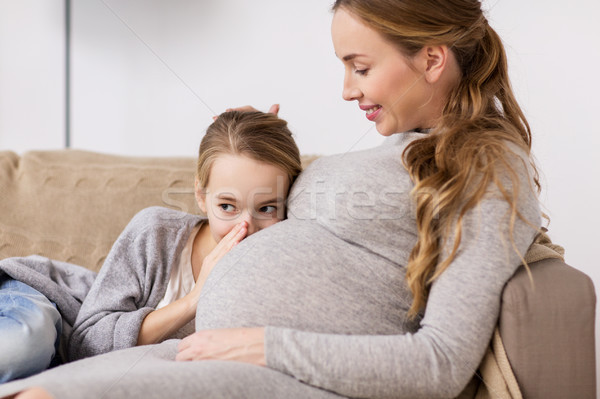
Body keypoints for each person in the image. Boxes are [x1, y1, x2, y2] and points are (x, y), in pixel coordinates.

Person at [0, 0, 543, 398]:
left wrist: (259, 345)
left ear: (431, 60)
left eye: (361, 66)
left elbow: (440, 364)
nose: (347, 89)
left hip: (276, 370)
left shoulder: (488, 168)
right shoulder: (400, 145)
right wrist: (249, 140)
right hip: (206, 349)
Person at [0, 110, 301, 382]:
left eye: (266, 209)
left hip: (57, 366)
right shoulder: (156, 233)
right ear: (201, 194)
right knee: (22, 347)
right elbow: (86, 344)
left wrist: (261, 133)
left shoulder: (285, 265)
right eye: (227, 206)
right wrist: (194, 299)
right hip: (42, 300)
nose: (244, 229)